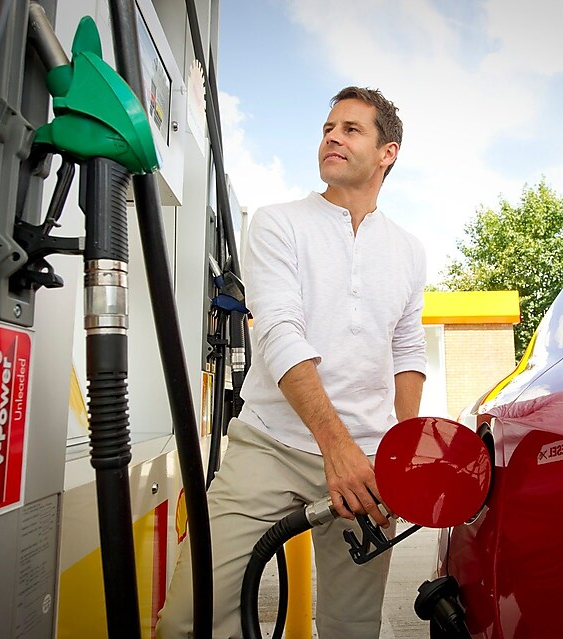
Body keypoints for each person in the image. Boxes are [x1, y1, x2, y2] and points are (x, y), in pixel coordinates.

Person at [156, 86, 427, 638]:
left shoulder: (408, 250)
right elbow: (279, 333)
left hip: (368, 460)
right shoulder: (279, 224)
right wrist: (336, 446)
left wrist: (403, 449)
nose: (331, 136)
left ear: (387, 153)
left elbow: (407, 350)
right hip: (270, 445)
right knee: (191, 621)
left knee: (351, 627)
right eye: (328, 127)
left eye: (351, 129)